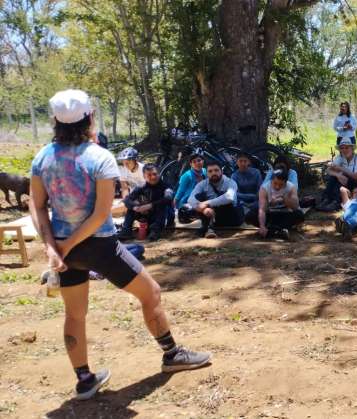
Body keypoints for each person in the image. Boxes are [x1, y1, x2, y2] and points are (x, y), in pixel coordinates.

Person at [29, 89, 210, 401]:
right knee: (150, 293)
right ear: (89, 117)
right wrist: (66, 246)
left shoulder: (42, 156)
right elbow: (101, 213)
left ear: (55, 121)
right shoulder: (99, 157)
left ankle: (85, 379)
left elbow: (36, 205)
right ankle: (172, 355)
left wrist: (53, 248)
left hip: (62, 248)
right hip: (98, 245)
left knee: (75, 314)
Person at [182, 161, 243, 238]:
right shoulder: (202, 184)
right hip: (212, 215)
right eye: (210, 171)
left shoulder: (230, 182)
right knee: (198, 198)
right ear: (207, 173)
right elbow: (190, 199)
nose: (213, 173)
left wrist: (207, 203)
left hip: (231, 217)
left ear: (222, 171)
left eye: (216, 170)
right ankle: (208, 227)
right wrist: (203, 210)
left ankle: (208, 227)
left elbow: (229, 197)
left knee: (222, 197)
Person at [119, 163, 174, 241]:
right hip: (148, 214)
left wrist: (149, 206)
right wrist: (136, 207)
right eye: (149, 175)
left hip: (163, 216)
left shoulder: (166, 186)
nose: (153, 177)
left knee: (162, 205)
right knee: (131, 207)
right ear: (144, 176)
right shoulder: (142, 186)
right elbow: (127, 200)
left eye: (155, 174)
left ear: (159, 174)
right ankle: (126, 231)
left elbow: (168, 198)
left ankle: (155, 231)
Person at [317, 137, 357, 211]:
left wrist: (341, 169)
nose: (344, 150)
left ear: (352, 148)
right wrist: (338, 175)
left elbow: (356, 177)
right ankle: (327, 200)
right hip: (344, 181)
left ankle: (335, 202)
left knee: (341, 176)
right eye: (342, 148)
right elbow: (328, 170)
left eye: (347, 148)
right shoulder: (340, 157)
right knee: (334, 177)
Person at [257, 169, 303, 240]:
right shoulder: (264, 188)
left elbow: (295, 206)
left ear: (286, 182)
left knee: (299, 214)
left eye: (281, 184)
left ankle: (272, 230)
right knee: (251, 215)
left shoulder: (291, 187)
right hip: (270, 214)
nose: (277, 187)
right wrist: (262, 226)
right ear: (271, 180)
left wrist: (284, 199)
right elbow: (262, 209)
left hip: (285, 214)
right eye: (275, 183)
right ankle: (277, 230)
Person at [231, 152, 262, 222]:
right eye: (240, 161)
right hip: (242, 203)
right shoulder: (234, 175)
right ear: (237, 162)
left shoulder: (256, 172)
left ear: (249, 162)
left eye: (245, 161)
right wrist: (251, 196)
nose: (243, 164)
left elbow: (260, 190)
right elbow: (235, 193)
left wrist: (255, 199)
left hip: (256, 201)